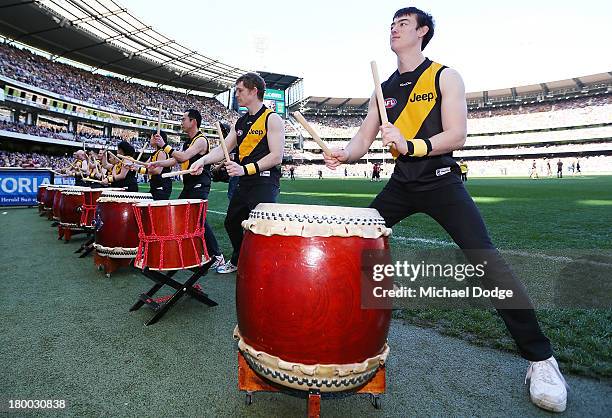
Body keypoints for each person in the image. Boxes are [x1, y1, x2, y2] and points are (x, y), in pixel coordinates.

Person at [323, 7, 568, 412]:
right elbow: (360, 143)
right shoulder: (381, 89)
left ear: (422, 32)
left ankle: (541, 360)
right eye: (392, 23)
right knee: (352, 246)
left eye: (403, 23)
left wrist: (411, 144)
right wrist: (341, 155)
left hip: (441, 183)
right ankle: (338, 332)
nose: (394, 28)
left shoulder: (444, 76)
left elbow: (457, 135)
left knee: (488, 263)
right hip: (401, 185)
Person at [190, 72, 284, 274]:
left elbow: (276, 157)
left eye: (240, 90)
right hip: (245, 182)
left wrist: (244, 169)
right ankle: (239, 259)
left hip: (264, 182)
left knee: (263, 227)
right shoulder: (239, 123)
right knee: (232, 222)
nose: (237, 94)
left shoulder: (272, 119)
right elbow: (222, 148)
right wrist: (203, 160)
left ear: (254, 91)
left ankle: (269, 268)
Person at [148, 109, 225, 269]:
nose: (181, 122)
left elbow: (183, 157)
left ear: (193, 121)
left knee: (198, 218)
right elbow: (175, 161)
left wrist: (165, 145)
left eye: (184, 119)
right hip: (189, 185)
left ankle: (217, 255)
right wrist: (158, 163)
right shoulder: (187, 142)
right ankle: (195, 251)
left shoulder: (201, 140)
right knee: (184, 216)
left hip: (200, 184)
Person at [136, 131, 172, 200]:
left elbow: (157, 171)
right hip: (155, 186)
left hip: (161, 187)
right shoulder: (154, 153)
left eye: (151, 137)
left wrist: (139, 169)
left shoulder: (162, 152)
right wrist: (134, 166)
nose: (150, 139)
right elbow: (145, 165)